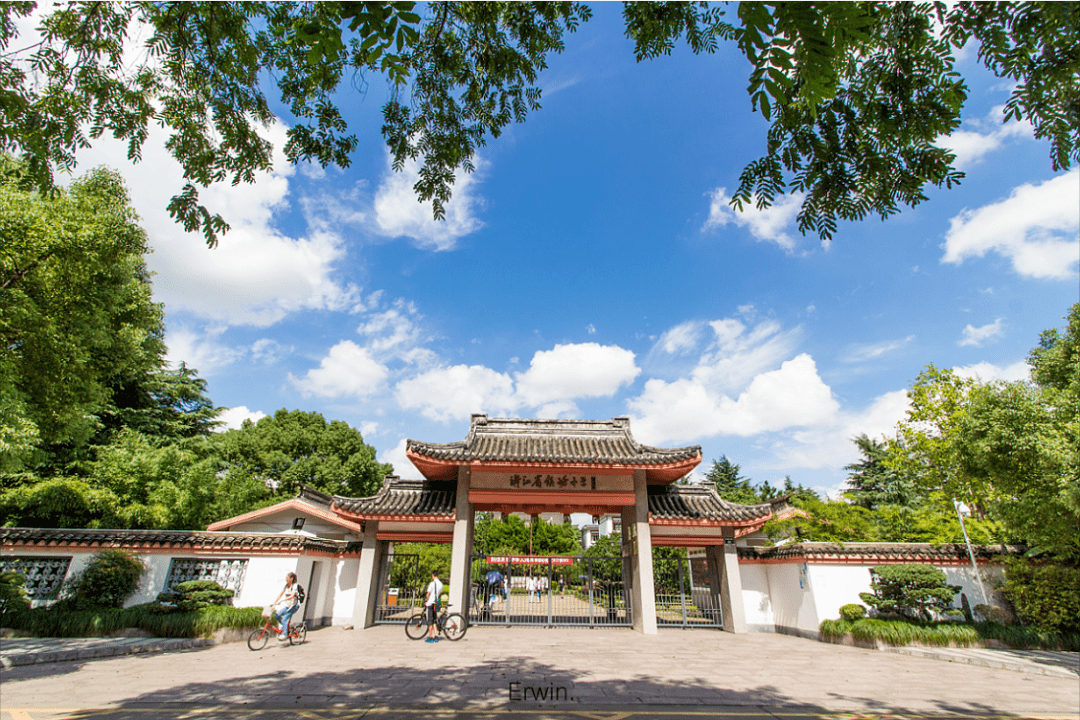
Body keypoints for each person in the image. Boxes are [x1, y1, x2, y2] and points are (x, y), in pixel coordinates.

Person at [271, 572, 301, 642]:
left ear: (291, 578)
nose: (286, 579)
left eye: (287, 578)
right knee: (276, 615)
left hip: (294, 607)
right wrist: (274, 602)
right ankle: (286, 627)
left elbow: (292, 596)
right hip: (287, 606)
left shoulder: (295, 586)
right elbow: (280, 594)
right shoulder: (286, 586)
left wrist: (282, 601)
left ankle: (285, 634)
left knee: (284, 618)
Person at [424, 570, 443, 643]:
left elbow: (427, 594)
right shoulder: (441, 584)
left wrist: (426, 599)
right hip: (436, 603)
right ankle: (436, 636)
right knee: (434, 620)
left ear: (432, 575)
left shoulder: (432, 584)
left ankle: (431, 637)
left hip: (430, 604)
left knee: (430, 621)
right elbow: (440, 594)